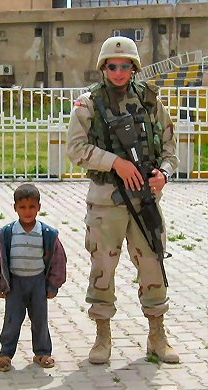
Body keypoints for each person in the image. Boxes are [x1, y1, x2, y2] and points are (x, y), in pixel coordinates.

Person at [67, 36, 179, 364]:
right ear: (104, 67)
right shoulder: (88, 103)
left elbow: (170, 148)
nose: (119, 71)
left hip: (145, 200)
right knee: (103, 267)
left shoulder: (149, 101)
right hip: (106, 201)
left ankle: (157, 336)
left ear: (134, 68)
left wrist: (164, 173)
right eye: (113, 66)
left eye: (125, 65)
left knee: (152, 264)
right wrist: (115, 162)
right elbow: (75, 149)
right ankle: (102, 337)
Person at [0, 183, 67, 372]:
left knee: (40, 320)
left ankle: (42, 352)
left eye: (32, 207)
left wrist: (53, 285)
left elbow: (59, 259)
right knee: (12, 320)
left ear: (39, 207)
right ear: (15, 207)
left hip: (38, 283)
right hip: (14, 284)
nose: (27, 211)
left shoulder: (47, 233)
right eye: (22, 207)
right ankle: (5, 354)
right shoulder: (7, 233)